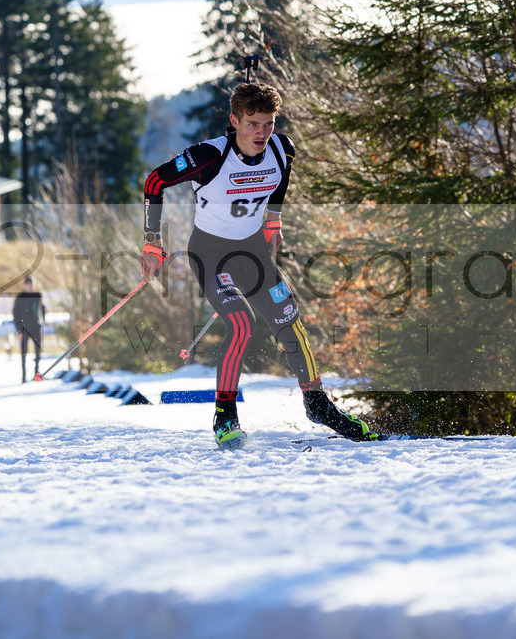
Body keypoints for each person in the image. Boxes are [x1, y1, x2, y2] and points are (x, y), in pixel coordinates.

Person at [139, 82, 377, 448]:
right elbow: (155, 181)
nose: (262, 133)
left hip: (251, 251)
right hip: (210, 252)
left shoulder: (282, 149)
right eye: (252, 124)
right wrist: (152, 241)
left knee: (289, 318)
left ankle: (316, 403)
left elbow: (280, 183)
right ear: (234, 121)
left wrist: (273, 222)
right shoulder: (208, 156)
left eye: (268, 123)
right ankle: (225, 415)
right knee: (241, 323)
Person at [13, 276, 45, 383]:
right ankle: (23, 377)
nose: (30, 287)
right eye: (28, 285)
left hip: (36, 327)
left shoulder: (37, 296)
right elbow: (15, 315)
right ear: (25, 285)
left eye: (31, 285)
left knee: (38, 352)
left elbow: (42, 308)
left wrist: (44, 319)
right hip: (24, 329)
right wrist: (18, 330)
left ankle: (36, 375)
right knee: (23, 353)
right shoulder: (20, 297)